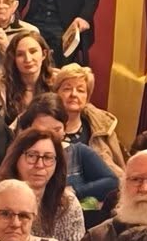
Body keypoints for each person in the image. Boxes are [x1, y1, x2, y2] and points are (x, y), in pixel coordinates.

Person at [0, 125, 86, 241]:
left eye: (48, 157)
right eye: (32, 156)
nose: (40, 165)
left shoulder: (68, 203)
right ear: (16, 158)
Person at [51, 64, 125, 207]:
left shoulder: (103, 129)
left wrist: (77, 191)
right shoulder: (43, 128)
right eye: (67, 89)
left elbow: (118, 175)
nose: (74, 94)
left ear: (87, 97)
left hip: (97, 204)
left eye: (80, 90)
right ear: (55, 93)